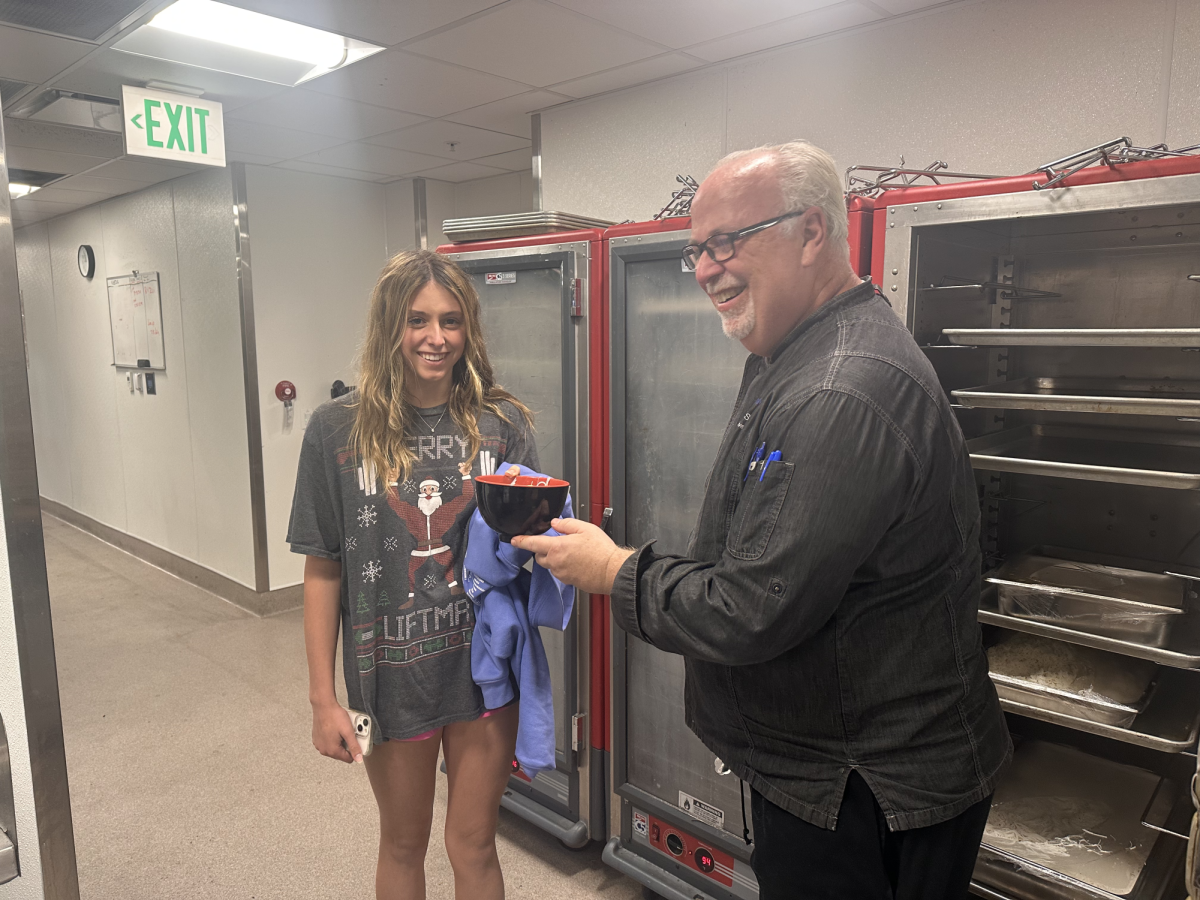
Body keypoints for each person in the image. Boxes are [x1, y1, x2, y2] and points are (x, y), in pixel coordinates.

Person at [513, 141, 1011, 899]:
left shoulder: (841, 389)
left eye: (725, 242)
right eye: (694, 252)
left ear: (812, 232)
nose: (707, 268)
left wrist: (615, 571)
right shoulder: (797, 358)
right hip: (829, 768)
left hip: (864, 787)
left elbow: (752, 609)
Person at [288, 250, 538, 900]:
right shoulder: (335, 431)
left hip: (483, 672)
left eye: (451, 321)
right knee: (403, 843)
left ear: (469, 329)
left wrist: (547, 538)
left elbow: (530, 544)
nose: (436, 338)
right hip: (389, 676)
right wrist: (322, 699)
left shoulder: (502, 425)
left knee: (474, 843)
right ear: (389, 327)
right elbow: (323, 568)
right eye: (417, 320)